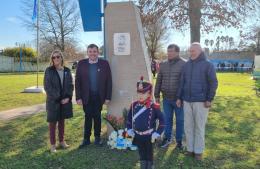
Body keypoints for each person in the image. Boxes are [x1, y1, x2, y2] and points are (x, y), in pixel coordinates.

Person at [176, 42, 218, 160]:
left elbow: (213, 82)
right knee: (188, 126)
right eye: (190, 51)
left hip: (201, 101)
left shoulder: (207, 65)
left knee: (199, 127)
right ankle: (190, 149)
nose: (191, 53)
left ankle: (198, 151)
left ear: (200, 51)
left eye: (193, 51)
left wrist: (209, 99)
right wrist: (179, 97)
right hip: (187, 101)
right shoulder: (186, 65)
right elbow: (182, 82)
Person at [75, 44, 112, 148]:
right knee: (87, 117)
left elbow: (109, 81)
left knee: (97, 117)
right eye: (90, 51)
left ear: (98, 52)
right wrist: (78, 97)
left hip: (98, 96)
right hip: (86, 96)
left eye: (94, 51)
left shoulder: (104, 64)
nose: (92, 53)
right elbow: (77, 82)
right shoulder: (81, 63)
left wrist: (108, 97)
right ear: (87, 53)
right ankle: (86, 139)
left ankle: (97, 138)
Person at [127, 76, 164, 169]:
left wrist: (157, 133)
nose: (140, 95)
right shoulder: (134, 105)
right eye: (139, 92)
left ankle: (150, 166)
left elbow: (163, 121)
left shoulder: (154, 107)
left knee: (149, 154)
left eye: (143, 93)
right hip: (138, 135)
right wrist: (129, 129)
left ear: (149, 94)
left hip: (149, 136)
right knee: (142, 153)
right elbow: (129, 119)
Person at [154, 44, 186, 149]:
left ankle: (179, 141)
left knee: (180, 120)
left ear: (177, 52)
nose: (169, 53)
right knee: (167, 119)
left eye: (171, 51)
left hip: (179, 100)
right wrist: (156, 94)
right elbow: (159, 80)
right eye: (168, 51)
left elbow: (185, 83)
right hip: (166, 98)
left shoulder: (184, 64)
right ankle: (167, 138)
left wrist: (180, 98)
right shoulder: (163, 64)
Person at [44, 50, 74, 153]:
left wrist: (68, 97)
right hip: (53, 102)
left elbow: (70, 85)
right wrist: (58, 98)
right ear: (52, 59)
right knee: (52, 124)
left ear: (61, 58)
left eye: (58, 57)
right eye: (54, 57)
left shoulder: (67, 70)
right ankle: (53, 145)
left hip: (64, 102)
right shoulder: (49, 70)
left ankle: (62, 141)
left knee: (62, 122)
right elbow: (47, 87)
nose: (56, 59)